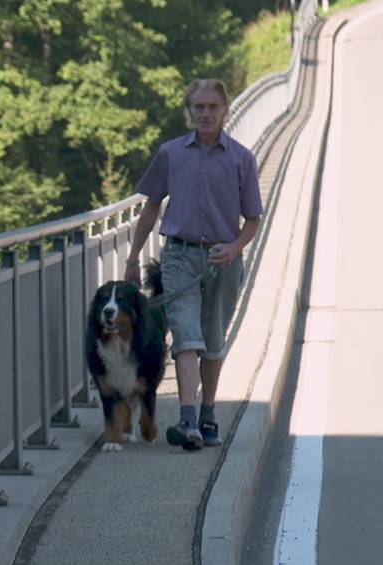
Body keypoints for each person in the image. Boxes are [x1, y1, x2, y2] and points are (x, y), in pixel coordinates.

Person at [124, 78, 263, 451]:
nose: (205, 114)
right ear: (189, 111)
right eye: (198, 107)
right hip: (179, 257)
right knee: (186, 336)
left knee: (213, 342)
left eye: (212, 107)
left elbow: (253, 219)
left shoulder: (241, 159)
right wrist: (134, 257)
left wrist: (235, 248)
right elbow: (151, 206)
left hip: (222, 261)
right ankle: (187, 421)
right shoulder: (170, 154)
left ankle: (208, 414)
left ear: (224, 111)